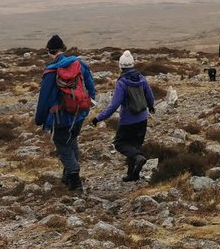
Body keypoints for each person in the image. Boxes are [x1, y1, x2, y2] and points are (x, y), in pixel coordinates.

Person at [35, 34, 96, 191]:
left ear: (50, 52)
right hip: (79, 113)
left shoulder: (50, 72)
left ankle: (75, 180)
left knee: (63, 146)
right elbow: (90, 86)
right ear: (63, 49)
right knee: (72, 140)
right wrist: (87, 104)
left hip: (60, 117)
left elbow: (44, 98)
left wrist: (39, 119)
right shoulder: (80, 65)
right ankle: (67, 177)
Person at [90, 50, 155, 182]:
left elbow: (114, 105)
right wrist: (151, 107)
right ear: (132, 64)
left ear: (120, 66)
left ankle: (138, 158)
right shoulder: (141, 78)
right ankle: (132, 174)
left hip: (128, 121)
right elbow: (150, 96)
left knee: (120, 143)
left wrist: (98, 118)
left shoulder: (122, 82)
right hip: (142, 118)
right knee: (134, 145)